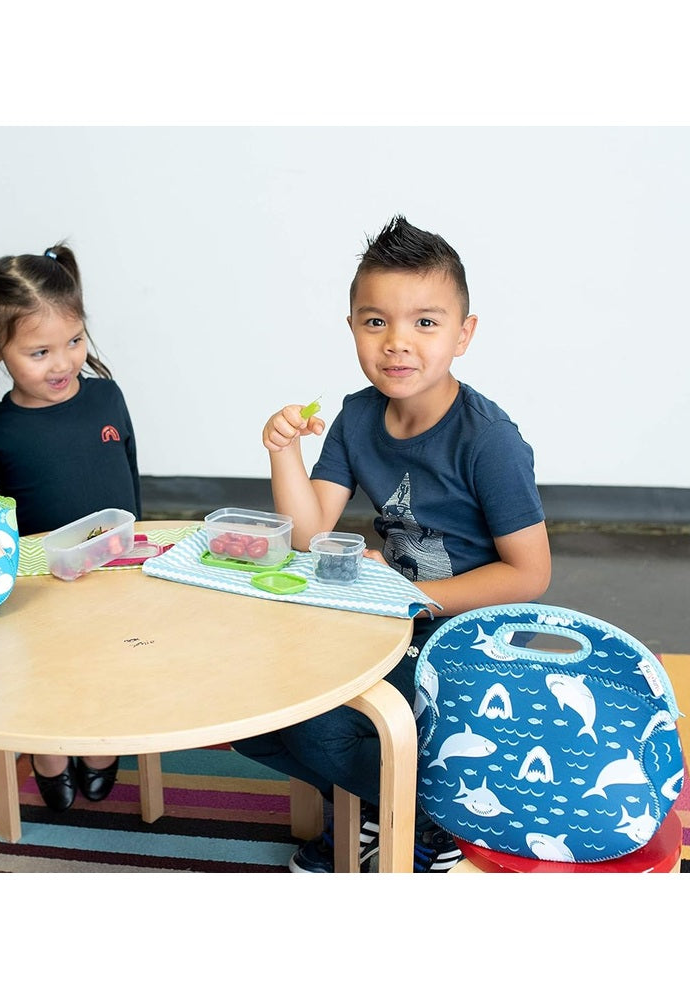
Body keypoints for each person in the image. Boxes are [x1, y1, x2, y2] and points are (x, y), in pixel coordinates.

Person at [232, 215, 552, 873]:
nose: (397, 343)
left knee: (319, 723)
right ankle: (373, 807)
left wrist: (412, 595)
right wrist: (284, 452)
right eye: (376, 322)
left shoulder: (488, 441)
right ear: (352, 326)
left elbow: (529, 574)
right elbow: (307, 537)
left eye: (425, 323)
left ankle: (431, 823)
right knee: (247, 709)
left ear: (464, 335)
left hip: (470, 636)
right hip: (388, 617)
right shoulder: (355, 416)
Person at [0, 241, 141, 811]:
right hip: (39, 587)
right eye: (39, 352)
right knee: (47, 674)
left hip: (115, 574)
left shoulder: (108, 398)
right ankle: (50, 754)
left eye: (74, 342)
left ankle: (102, 749)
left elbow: (130, 477)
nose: (63, 363)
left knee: (110, 663)